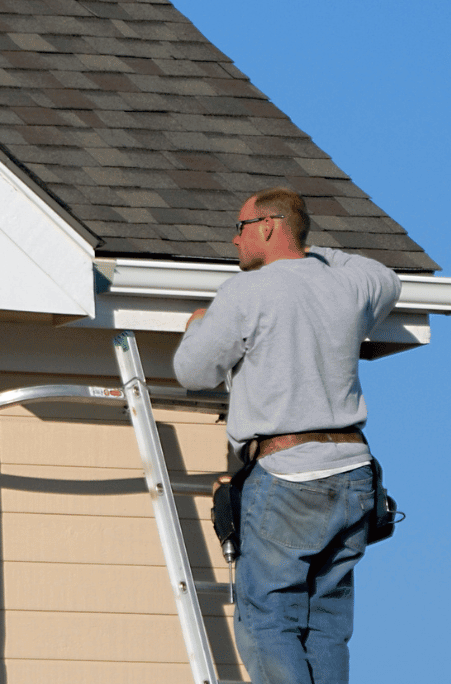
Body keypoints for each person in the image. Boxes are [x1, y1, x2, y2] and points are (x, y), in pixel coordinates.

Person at [173, 186, 401, 684]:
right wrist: (309, 250)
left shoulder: (246, 292)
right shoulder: (349, 287)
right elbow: (384, 276)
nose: (234, 241)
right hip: (352, 475)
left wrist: (197, 326)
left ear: (269, 226)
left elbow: (193, 371)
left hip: (287, 475)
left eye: (241, 228)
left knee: (267, 623)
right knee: (325, 627)